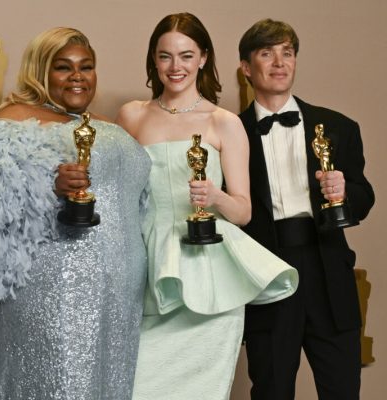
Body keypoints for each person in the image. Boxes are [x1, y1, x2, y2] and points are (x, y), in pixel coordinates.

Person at [0, 27, 150, 400]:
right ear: (40, 71)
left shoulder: (104, 124)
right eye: (63, 67)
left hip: (120, 288)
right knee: (57, 386)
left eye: (86, 67)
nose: (77, 76)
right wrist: (45, 182)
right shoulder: (15, 118)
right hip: (53, 284)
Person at [115, 13, 299, 400]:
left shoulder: (225, 122)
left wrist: (215, 197)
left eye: (186, 55)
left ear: (203, 58)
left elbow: (243, 212)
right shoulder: (131, 116)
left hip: (208, 273)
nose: (175, 67)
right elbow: (121, 200)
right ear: (154, 59)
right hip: (147, 270)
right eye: (165, 56)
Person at [238, 19, 375, 400]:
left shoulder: (339, 127)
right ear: (246, 68)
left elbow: (365, 194)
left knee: (342, 389)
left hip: (328, 268)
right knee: (272, 390)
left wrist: (346, 191)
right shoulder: (230, 133)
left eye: (288, 53)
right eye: (267, 53)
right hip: (268, 273)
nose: (279, 62)